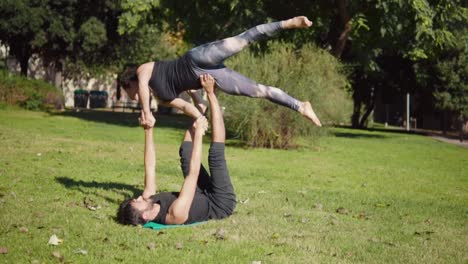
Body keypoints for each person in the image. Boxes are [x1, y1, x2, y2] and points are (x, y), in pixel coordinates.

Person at [119, 16, 322, 129]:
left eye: (129, 93)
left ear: (130, 83)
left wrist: (146, 112)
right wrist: (201, 115)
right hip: (209, 78)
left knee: (243, 39)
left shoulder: (143, 70)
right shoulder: (163, 98)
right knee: (259, 91)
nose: (133, 97)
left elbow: (144, 88)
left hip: (197, 58)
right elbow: (191, 107)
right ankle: (300, 105)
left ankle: (288, 23)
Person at [117, 74, 236, 225]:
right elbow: (193, 174)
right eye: (138, 201)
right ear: (146, 216)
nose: (140, 197)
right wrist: (198, 134)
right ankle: (211, 93)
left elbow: (150, 167)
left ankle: (199, 108)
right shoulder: (175, 213)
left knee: (186, 150)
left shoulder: (149, 199)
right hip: (219, 202)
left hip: (200, 194)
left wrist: (148, 130)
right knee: (215, 155)